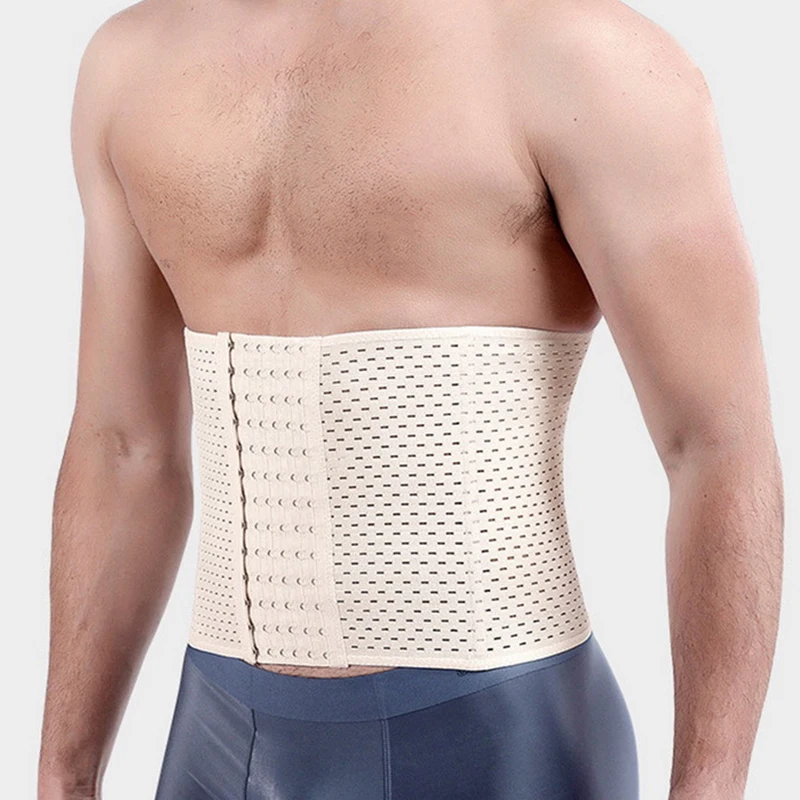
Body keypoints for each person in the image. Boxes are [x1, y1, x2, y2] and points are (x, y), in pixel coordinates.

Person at [38, 0, 784, 798]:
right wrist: (63, 773)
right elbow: (123, 447)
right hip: (217, 739)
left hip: (493, 734)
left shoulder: (583, 57)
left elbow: (716, 446)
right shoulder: (132, 64)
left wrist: (710, 787)